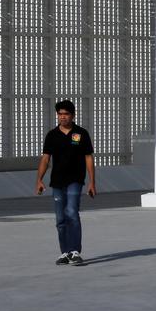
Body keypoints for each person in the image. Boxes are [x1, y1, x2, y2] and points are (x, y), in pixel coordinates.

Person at [35, 100, 96, 264]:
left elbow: (88, 157)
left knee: (71, 212)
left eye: (66, 114)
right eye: (60, 114)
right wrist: (39, 180)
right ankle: (65, 252)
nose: (63, 117)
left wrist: (92, 182)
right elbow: (45, 159)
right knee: (60, 219)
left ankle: (75, 251)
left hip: (75, 180)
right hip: (57, 182)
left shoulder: (80, 134)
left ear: (73, 115)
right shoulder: (52, 135)